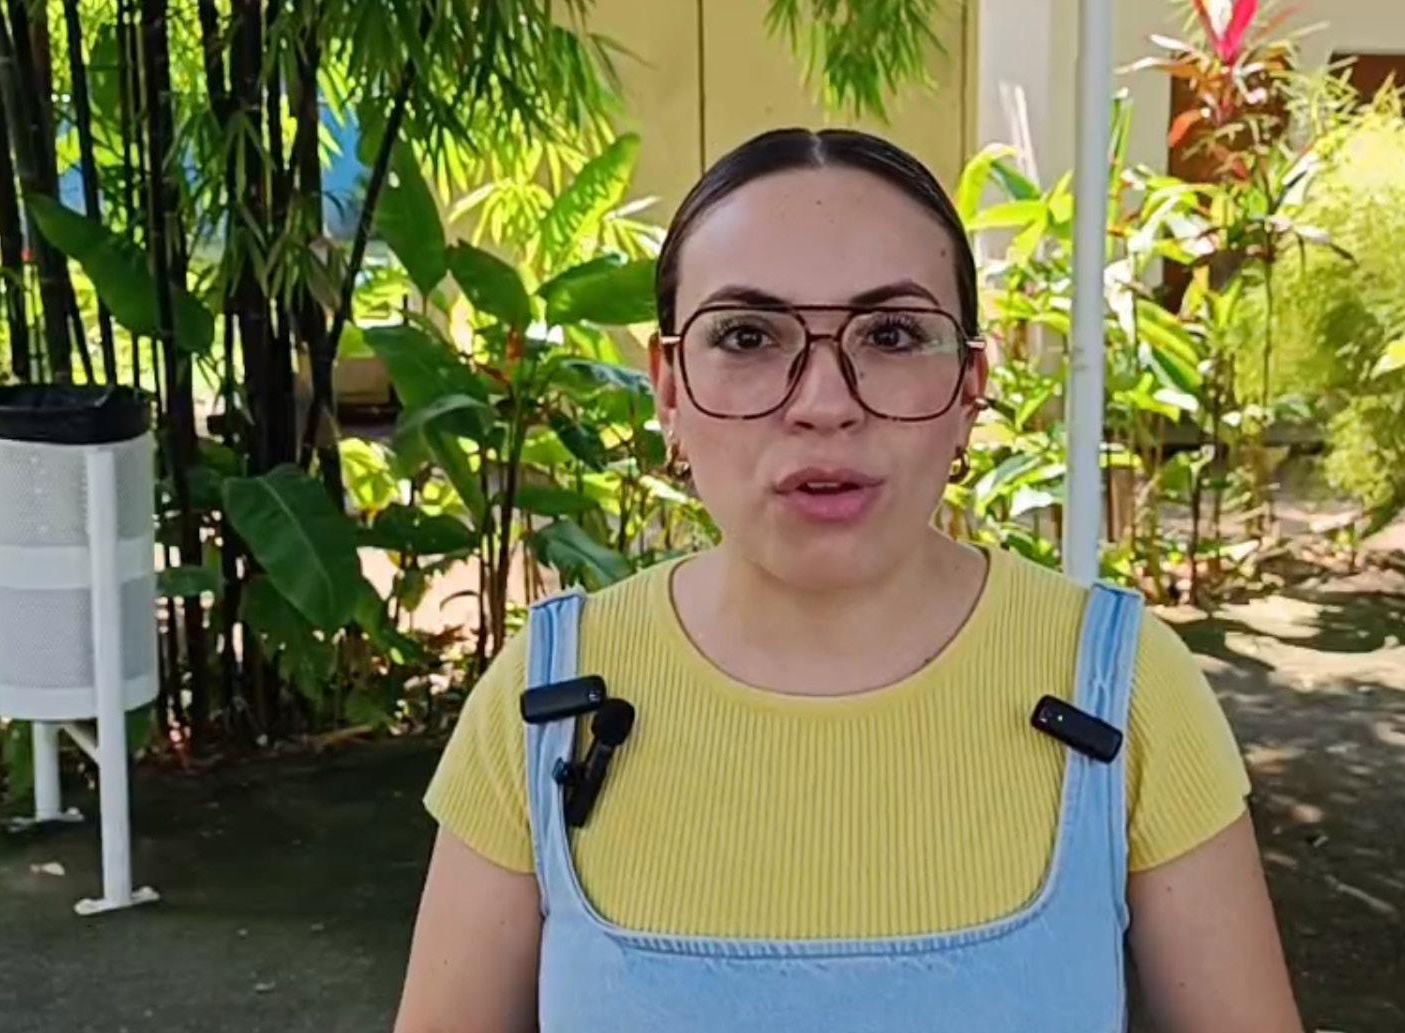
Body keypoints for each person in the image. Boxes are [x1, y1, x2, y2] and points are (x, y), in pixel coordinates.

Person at [394, 127, 1302, 1033]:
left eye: (892, 335)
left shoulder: (1119, 689)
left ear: (970, 386)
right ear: (668, 387)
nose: (823, 405)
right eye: (747, 335)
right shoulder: (546, 699)